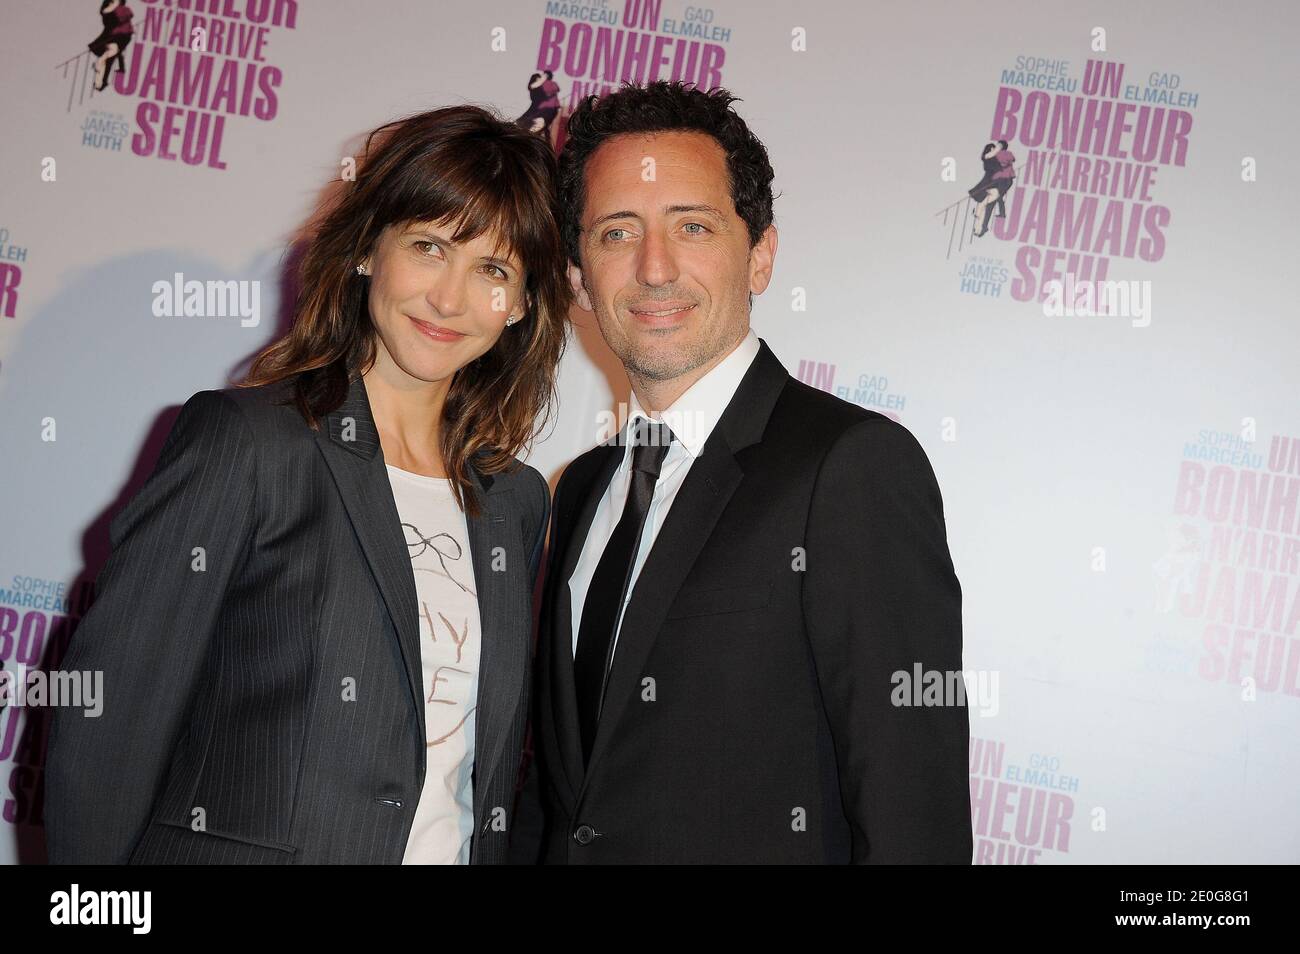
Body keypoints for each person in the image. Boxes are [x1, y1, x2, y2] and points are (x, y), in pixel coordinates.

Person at [44, 105, 571, 864]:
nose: (449, 300)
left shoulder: (515, 502)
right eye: (428, 246)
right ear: (367, 251)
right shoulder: (251, 444)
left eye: (492, 269)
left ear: (521, 303)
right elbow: (111, 716)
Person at [509, 80, 972, 864]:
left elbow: (910, 814)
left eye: (692, 226)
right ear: (578, 276)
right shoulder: (580, 489)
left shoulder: (850, 468)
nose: (655, 269)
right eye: (618, 233)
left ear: (760, 255)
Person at [88, 0, 134, 92]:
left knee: (112, 53)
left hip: (123, 36)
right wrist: (110, 8)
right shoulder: (108, 9)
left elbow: (126, 17)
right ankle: (99, 83)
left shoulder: (124, 9)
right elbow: (105, 16)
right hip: (112, 36)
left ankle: (101, 68)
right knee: (109, 58)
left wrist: (113, 8)